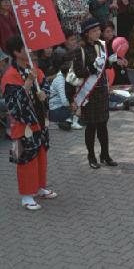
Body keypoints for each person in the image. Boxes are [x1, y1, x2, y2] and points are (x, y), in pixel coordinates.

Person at [2, 36, 57, 210]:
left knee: (41, 155)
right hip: (23, 125)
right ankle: (26, 196)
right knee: (26, 159)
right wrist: (27, 84)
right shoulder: (10, 75)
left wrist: (44, 94)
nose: (30, 52)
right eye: (25, 49)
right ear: (17, 52)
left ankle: (40, 187)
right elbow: (13, 104)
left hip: (39, 121)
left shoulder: (33, 68)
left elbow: (45, 86)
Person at [73, 19, 122, 169]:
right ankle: (91, 156)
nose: (98, 33)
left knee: (103, 125)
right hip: (90, 93)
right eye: (94, 31)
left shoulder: (102, 45)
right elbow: (78, 72)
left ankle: (105, 155)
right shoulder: (80, 50)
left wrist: (115, 60)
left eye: (98, 30)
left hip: (101, 90)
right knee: (91, 126)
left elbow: (105, 64)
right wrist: (91, 69)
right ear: (87, 33)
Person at [49, 59, 83, 130]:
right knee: (81, 107)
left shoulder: (67, 78)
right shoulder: (60, 81)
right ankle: (71, 121)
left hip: (62, 108)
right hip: (57, 110)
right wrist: (74, 104)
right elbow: (64, 102)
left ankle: (70, 120)